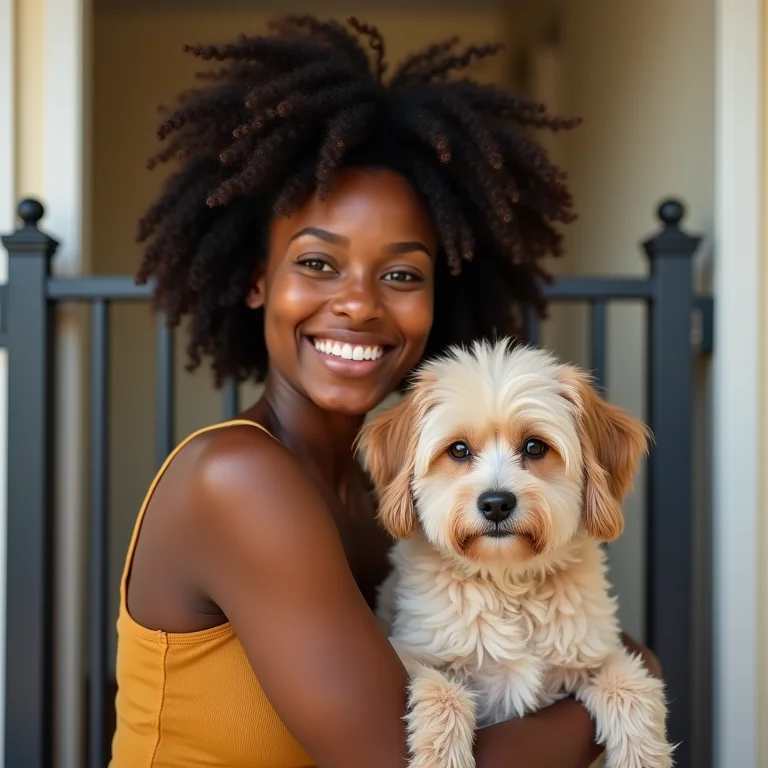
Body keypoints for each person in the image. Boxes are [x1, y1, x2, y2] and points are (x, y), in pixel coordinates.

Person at [110, 15, 661, 768]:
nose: (360, 304)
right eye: (317, 263)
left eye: (401, 274)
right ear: (256, 280)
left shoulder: (390, 489)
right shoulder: (238, 478)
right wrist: (635, 677)